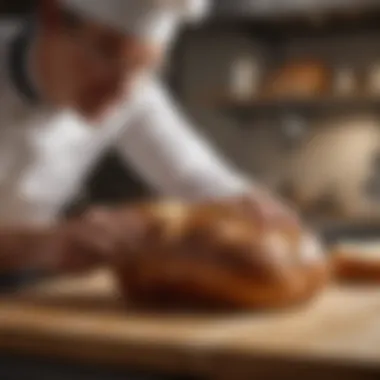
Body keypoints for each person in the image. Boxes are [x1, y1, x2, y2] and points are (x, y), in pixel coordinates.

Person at [0, 0, 298, 278]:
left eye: (143, 67)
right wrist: (42, 244)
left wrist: (256, 208)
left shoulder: (130, 90)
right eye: (109, 53)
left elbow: (195, 176)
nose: (121, 90)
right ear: (51, 16)